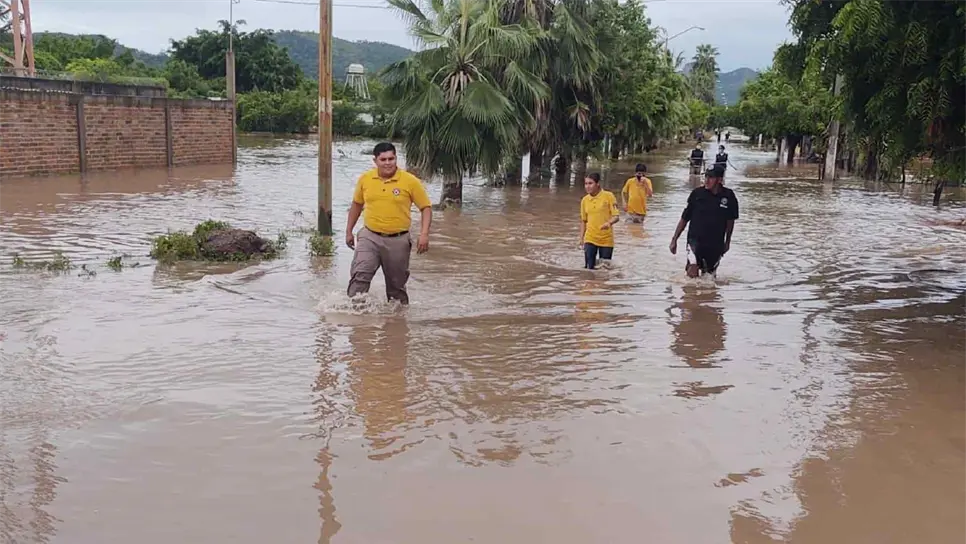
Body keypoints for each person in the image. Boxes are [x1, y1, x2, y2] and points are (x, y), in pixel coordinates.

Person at [345, 142, 432, 305]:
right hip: (369, 236)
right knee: (360, 276)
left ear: (396, 159)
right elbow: (357, 204)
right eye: (383, 159)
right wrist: (348, 231)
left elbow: (426, 208)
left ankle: (397, 324)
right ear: (375, 160)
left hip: (398, 240)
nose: (387, 163)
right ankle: (355, 320)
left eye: (391, 159)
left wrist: (424, 234)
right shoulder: (365, 179)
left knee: (396, 288)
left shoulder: (410, 181)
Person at [669, 165, 739, 278]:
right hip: (695, 241)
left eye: (711, 177)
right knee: (692, 269)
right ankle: (690, 294)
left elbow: (730, 221)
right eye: (706, 176)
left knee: (709, 278)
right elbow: (685, 218)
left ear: (720, 180)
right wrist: (674, 239)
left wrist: (727, 242)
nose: (706, 180)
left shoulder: (729, 197)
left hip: (715, 243)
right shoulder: (697, 194)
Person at [579, 173, 620, 270]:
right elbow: (583, 221)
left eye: (590, 183)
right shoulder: (585, 200)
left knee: (604, 269)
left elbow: (616, 216)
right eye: (586, 184)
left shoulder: (609, 196)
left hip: (606, 239)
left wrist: (609, 223)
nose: (587, 186)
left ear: (598, 184)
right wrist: (581, 238)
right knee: (589, 268)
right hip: (590, 238)